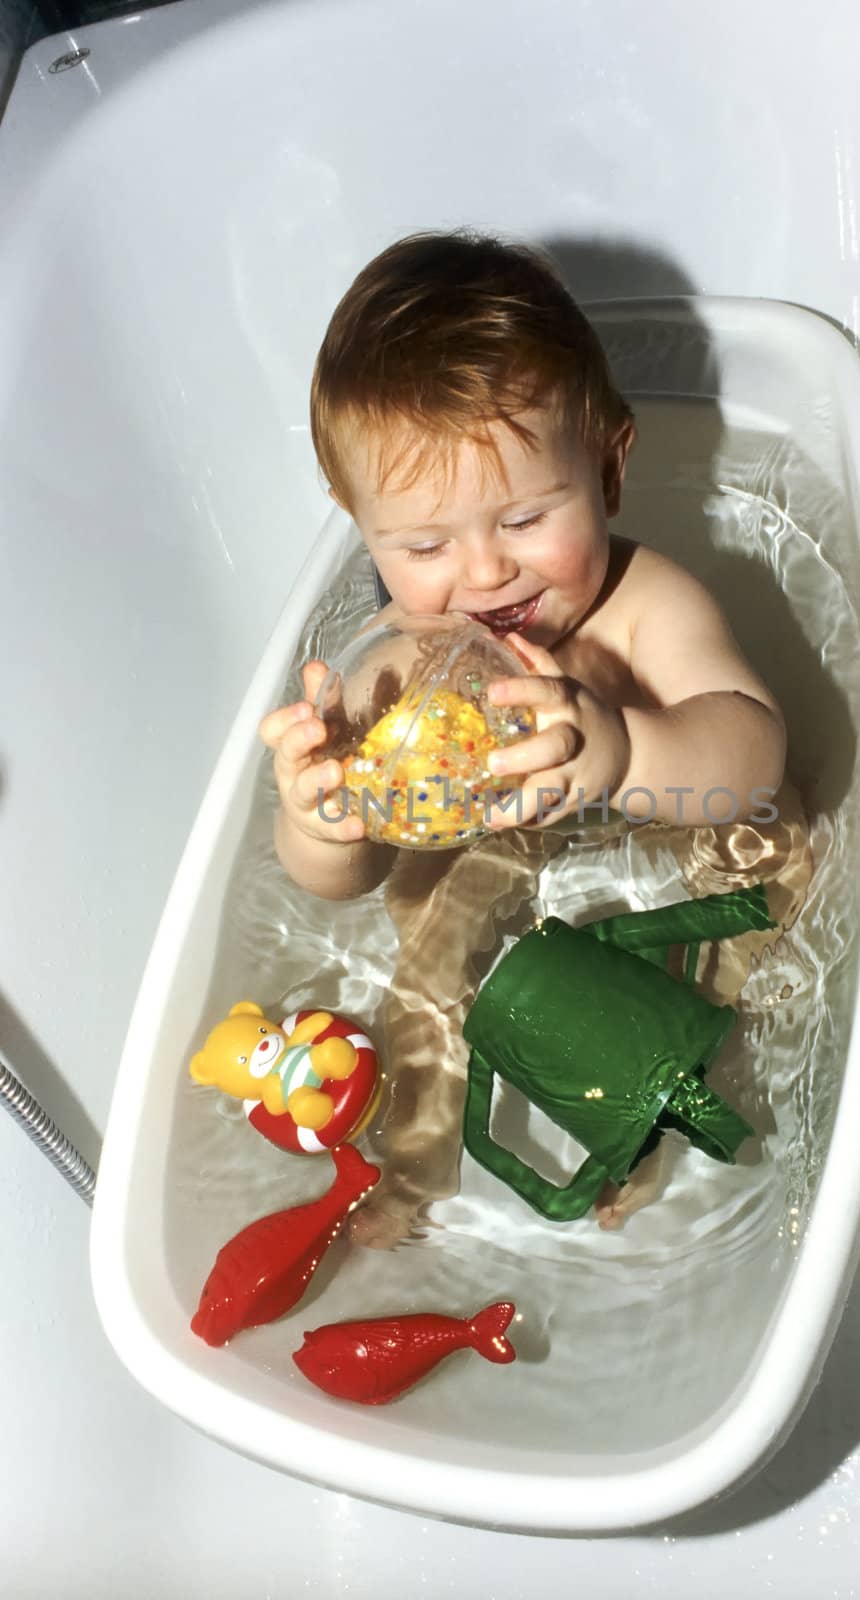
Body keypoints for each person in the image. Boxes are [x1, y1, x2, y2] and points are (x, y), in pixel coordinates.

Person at [259, 231, 812, 1245]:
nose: (479, 574)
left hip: (667, 831)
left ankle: (696, 1068)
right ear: (358, 524)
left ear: (607, 465)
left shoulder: (645, 611)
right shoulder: (396, 671)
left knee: (776, 855)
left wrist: (623, 754)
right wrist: (327, 824)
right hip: (495, 853)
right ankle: (417, 1168)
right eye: (422, 545)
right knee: (422, 970)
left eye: (522, 518)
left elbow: (750, 760)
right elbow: (345, 878)